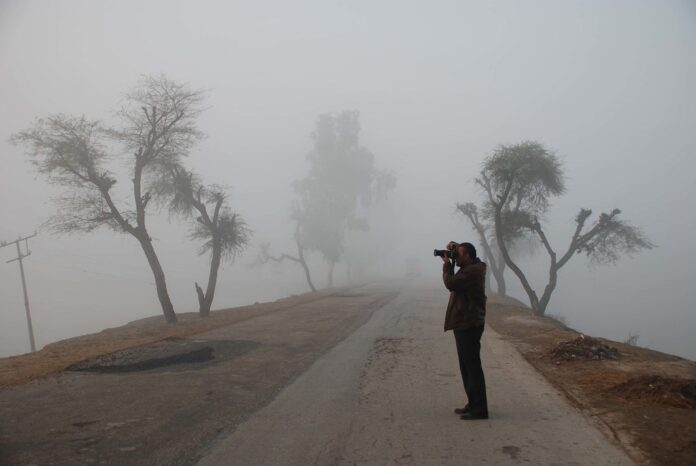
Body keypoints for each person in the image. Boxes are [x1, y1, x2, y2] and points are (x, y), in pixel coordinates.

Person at [440, 241, 489, 420]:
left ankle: (480, 409)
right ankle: (473, 402)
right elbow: (456, 281)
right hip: (465, 322)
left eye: (459, 254)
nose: (456, 257)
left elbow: (451, 283)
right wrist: (454, 247)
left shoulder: (472, 271)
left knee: (472, 367)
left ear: (468, 255)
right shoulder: (470, 267)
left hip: (469, 323)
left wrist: (447, 264)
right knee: (466, 366)